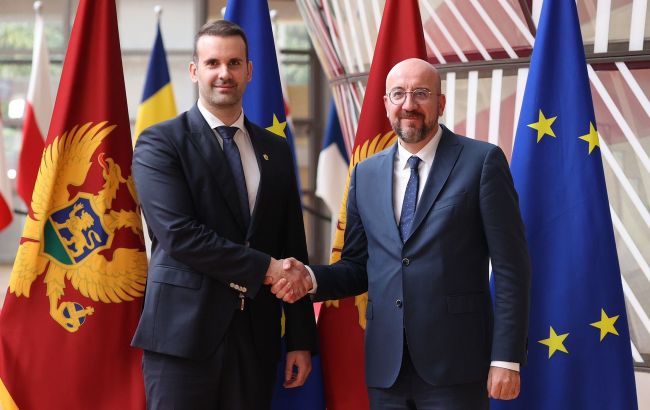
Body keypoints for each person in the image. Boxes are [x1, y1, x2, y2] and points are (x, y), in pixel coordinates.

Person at [272, 58, 531, 410]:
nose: (409, 104)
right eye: (398, 94)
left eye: (421, 93)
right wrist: (310, 278)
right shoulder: (365, 174)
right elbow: (357, 267)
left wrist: (506, 358)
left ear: (440, 103)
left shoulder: (482, 162)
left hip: (456, 365)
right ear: (386, 104)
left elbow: (511, 267)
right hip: (386, 368)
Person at [131, 20, 317, 410]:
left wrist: (300, 338)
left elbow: (291, 242)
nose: (224, 73)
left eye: (234, 63)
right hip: (183, 338)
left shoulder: (275, 149)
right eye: (212, 62)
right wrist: (267, 268)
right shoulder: (161, 142)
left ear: (249, 71)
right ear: (194, 70)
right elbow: (179, 234)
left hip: (256, 339)